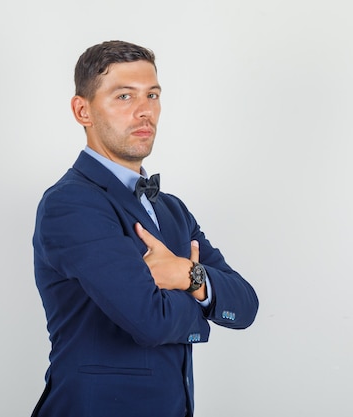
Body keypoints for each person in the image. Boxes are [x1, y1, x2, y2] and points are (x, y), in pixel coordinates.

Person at [31, 40, 259, 417]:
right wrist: (204, 294)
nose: (144, 111)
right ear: (82, 110)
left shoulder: (171, 209)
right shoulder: (71, 204)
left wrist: (188, 274)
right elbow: (150, 322)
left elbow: (246, 306)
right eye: (124, 96)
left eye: (152, 95)